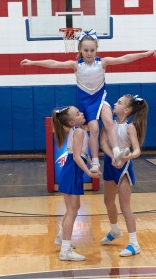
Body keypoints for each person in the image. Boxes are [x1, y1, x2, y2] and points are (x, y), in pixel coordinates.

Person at [21, 29, 156, 173]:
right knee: (94, 129)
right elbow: (54, 63)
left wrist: (144, 54)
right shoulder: (76, 65)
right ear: (80, 49)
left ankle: (116, 151)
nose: (89, 53)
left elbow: (124, 58)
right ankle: (95, 161)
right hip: (86, 102)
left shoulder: (103, 62)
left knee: (109, 121)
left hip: (100, 97)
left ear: (96, 49)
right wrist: (32, 62)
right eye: (86, 50)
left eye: (92, 50)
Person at [99, 94, 148, 257]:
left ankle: (134, 243)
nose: (115, 103)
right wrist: (113, 155)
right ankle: (114, 230)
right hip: (110, 164)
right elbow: (103, 143)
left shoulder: (130, 127)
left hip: (123, 167)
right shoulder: (108, 124)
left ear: (126, 110)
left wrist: (127, 156)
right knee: (108, 201)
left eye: (119, 102)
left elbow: (137, 150)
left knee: (125, 205)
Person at [52, 106, 101, 261]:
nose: (82, 114)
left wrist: (92, 165)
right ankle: (65, 250)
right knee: (72, 211)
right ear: (72, 121)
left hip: (70, 171)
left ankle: (61, 238)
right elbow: (77, 157)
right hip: (73, 170)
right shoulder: (79, 131)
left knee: (73, 208)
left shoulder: (76, 129)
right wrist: (89, 172)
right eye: (78, 114)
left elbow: (81, 154)